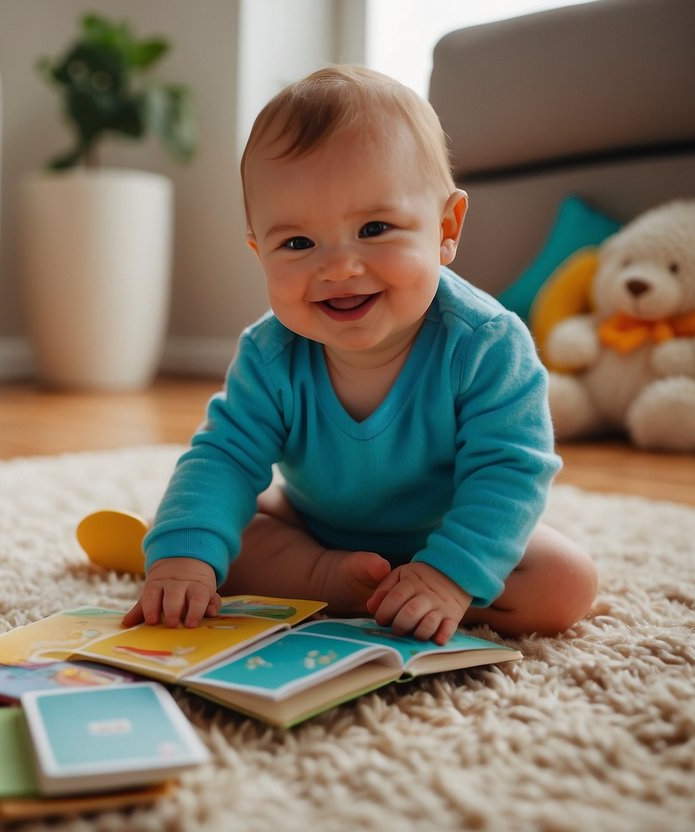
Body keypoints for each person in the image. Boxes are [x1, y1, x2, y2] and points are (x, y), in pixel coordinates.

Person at [123, 66, 597, 644]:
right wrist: (182, 559)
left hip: (446, 525)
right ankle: (334, 582)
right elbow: (223, 456)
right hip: (314, 527)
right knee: (204, 533)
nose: (340, 268)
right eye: (298, 243)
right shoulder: (270, 355)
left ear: (446, 227)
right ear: (259, 252)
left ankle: (417, 593)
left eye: (374, 228)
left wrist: (451, 576)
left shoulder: (485, 344)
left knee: (564, 583)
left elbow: (510, 472)